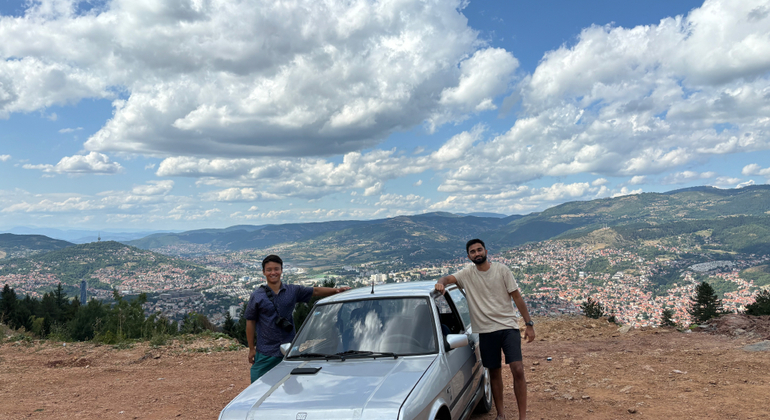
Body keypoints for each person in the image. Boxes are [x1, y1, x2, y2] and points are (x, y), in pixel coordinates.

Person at [435, 239, 535, 420]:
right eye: (472, 252)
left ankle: (522, 417)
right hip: (486, 331)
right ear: (468, 256)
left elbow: (517, 297)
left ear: (486, 251)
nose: (477, 253)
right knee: (494, 372)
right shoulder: (467, 274)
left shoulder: (502, 270)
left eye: (479, 250)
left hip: (508, 326)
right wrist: (440, 283)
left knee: (518, 369)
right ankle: (501, 414)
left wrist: (529, 324)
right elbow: (448, 279)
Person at [245, 254, 350, 383]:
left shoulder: (292, 291)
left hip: (289, 349)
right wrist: (251, 348)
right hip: (266, 350)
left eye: (276, 269)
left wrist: (336, 291)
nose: (273, 272)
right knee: (258, 385)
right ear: (264, 272)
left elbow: (315, 291)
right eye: (269, 270)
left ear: (282, 270)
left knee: (290, 384)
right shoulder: (257, 296)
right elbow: (250, 321)